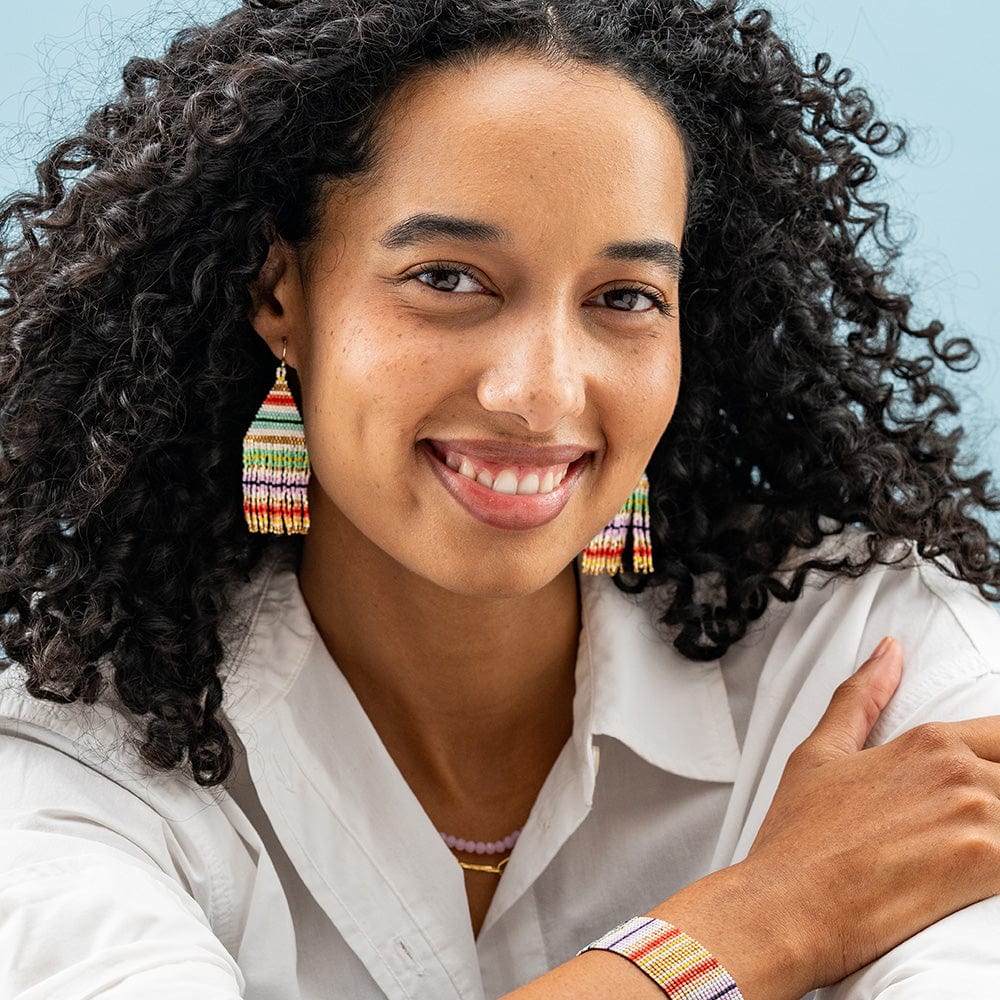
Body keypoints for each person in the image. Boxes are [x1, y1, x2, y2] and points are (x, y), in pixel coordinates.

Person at [2, 0, 1000, 997]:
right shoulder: (76, 758)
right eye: (448, 277)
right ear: (281, 296)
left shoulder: (877, 664)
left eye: (623, 297)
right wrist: (765, 915)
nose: (542, 392)